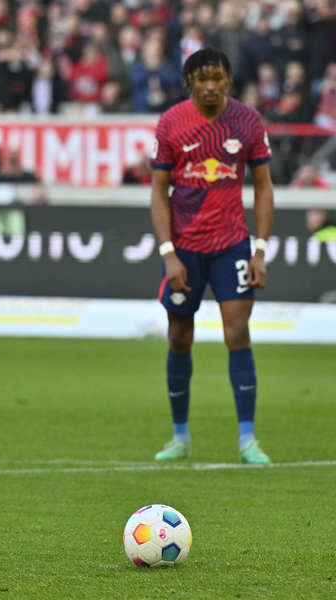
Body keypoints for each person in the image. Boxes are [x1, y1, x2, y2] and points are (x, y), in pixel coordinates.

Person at [150, 48, 274, 465]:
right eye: (201, 80)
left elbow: (263, 187)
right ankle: (180, 436)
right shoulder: (171, 123)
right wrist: (168, 253)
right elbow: (158, 192)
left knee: (237, 333)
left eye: (217, 78)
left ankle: (247, 440)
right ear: (189, 83)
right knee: (179, 336)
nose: (209, 86)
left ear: (228, 79)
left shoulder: (248, 121)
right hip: (184, 247)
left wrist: (260, 249)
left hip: (231, 245)